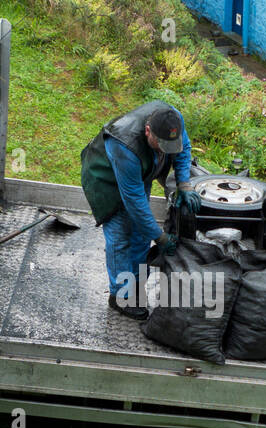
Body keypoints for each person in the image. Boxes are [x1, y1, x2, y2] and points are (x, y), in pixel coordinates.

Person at [80, 100, 204, 319]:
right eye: (162, 146)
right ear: (148, 131)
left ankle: (135, 286)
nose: (167, 151)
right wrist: (161, 237)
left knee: (139, 234)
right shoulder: (125, 145)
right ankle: (119, 297)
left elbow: (183, 152)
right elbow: (135, 204)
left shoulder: (172, 119)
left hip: (141, 169)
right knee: (121, 235)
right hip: (105, 178)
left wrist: (184, 184)